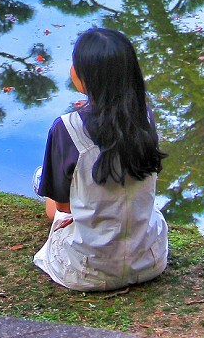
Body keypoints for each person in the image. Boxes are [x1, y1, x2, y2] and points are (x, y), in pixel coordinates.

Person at [33, 27, 168, 291]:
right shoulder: (145, 117)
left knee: (45, 185)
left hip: (85, 272)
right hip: (149, 263)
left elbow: (63, 206)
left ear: (83, 77)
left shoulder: (66, 128)